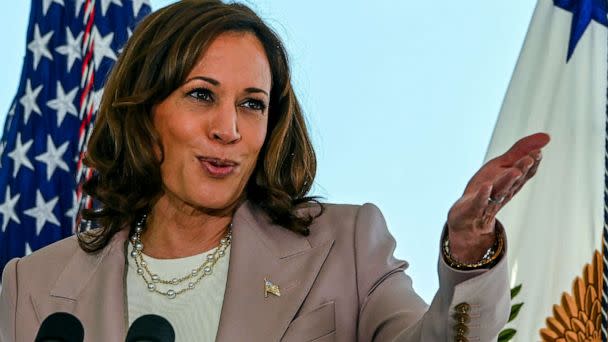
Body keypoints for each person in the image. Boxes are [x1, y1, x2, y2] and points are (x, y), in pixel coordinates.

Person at [0, 0, 550, 341]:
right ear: (145, 113)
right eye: (200, 95)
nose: (229, 129)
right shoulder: (34, 285)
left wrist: (468, 254)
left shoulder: (345, 247)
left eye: (252, 104)